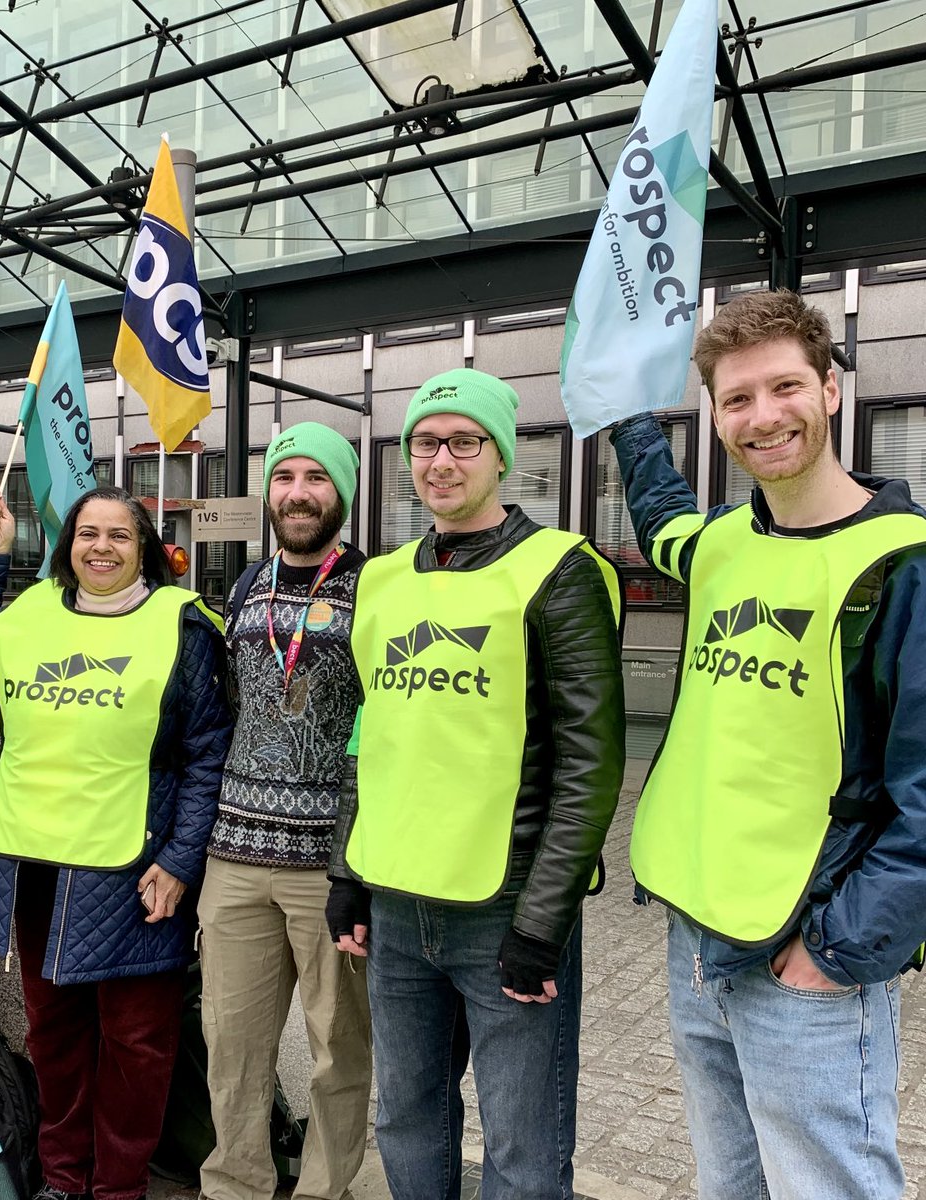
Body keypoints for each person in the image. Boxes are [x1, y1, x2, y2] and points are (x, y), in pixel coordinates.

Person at [611, 288, 926, 1200]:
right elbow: (659, 511)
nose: (763, 417)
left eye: (785, 387)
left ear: (830, 391)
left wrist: (838, 953)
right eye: (737, 400)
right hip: (695, 934)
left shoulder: (901, 563)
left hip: (807, 949)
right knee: (729, 1187)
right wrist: (631, 407)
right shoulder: (718, 545)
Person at [328, 368, 625, 1200]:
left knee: (523, 1150)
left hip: (506, 908)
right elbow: (368, 735)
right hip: (395, 903)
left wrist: (543, 921)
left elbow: (590, 761)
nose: (442, 461)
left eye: (465, 442)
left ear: (503, 456)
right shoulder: (382, 579)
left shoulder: (557, 568)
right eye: (425, 442)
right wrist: (347, 875)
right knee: (407, 1122)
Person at [0, 485, 232, 1200]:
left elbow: (206, 753)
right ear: (66, 545)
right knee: (54, 1034)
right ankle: (64, 1181)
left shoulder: (182, 625)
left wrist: (179, 860)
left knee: (138, 1045)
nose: (100, 547)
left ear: (145, 550)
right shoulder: (33, 611)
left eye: (119, 536)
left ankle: (119, 1188)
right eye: (86, 534)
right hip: (35, 861)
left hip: (136, 869)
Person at [198, 423, 371, 1200]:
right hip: (234, 854)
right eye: (285, 477)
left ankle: (326, 1189)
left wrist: (357, 865)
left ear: (343, 493)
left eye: (317, 479)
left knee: (338, 1046)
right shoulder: (245, 588)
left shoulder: (379, 587)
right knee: (230, 1043)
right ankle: (234, 1184)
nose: (298, 493)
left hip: (328, 864)